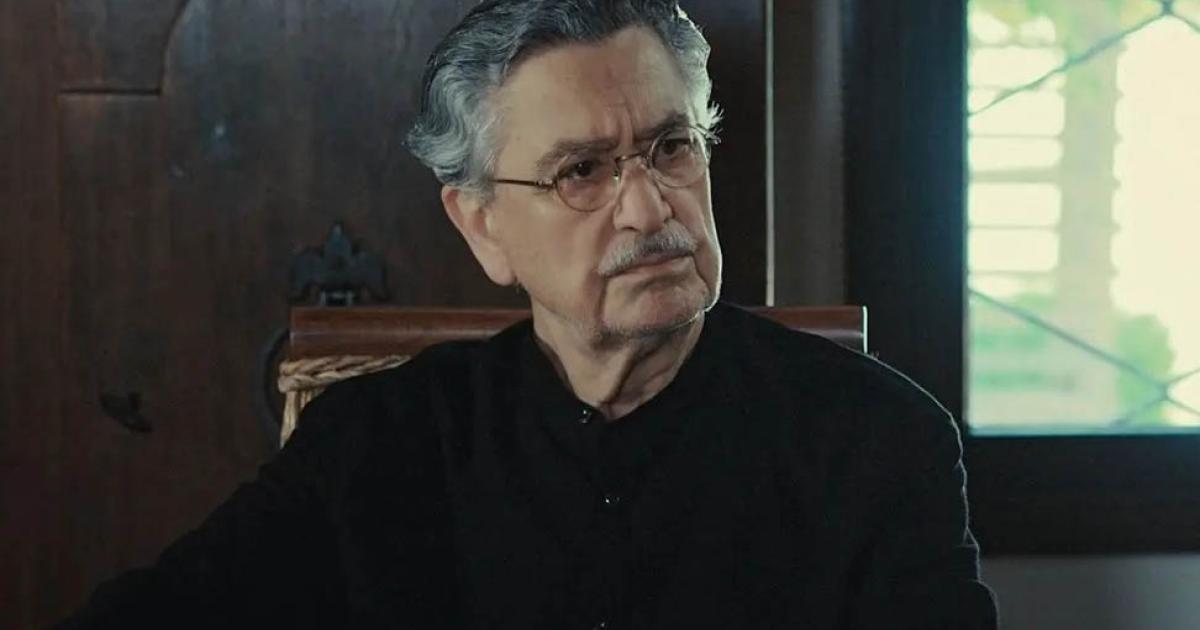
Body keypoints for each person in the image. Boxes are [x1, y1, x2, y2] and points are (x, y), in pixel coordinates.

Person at [58, 1, 997, 628]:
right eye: (581, 171)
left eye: (672, 148)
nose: (649, 209)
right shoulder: (379, 442)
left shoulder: (880, 441)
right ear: (482, 226)